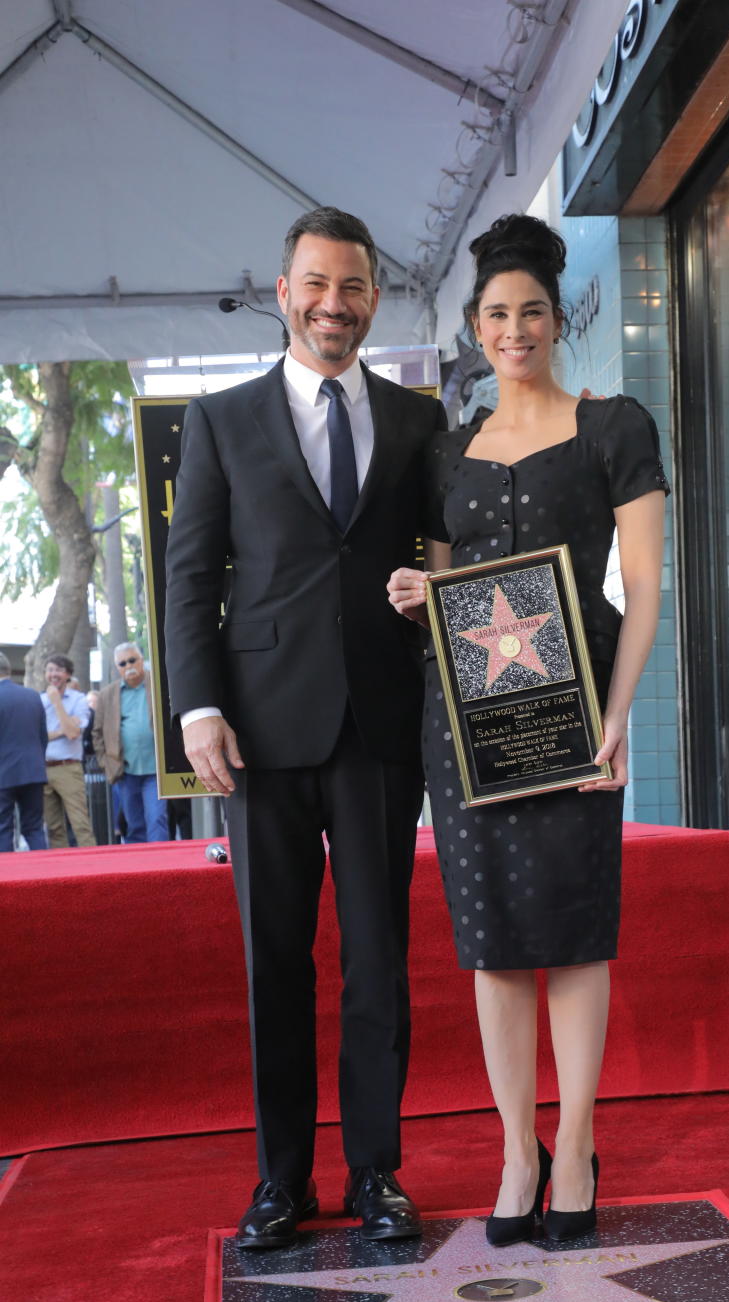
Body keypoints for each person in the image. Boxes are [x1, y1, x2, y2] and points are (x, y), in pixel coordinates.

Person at [165, 205, 447, 1249]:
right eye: (317, 285)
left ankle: (376, 1173)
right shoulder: (221, 420)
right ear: (284, 292)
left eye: (356, 287)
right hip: (259, 732)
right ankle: (280, 1183)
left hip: (381, 727)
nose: (336, 304)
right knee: (272, 961)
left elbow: (458, 549)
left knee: (377, 961)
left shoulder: (419, 422)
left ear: (376, 297)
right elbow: (191, 575)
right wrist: (197, 706)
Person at [387, 214, 668, 1245]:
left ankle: (580, 1143)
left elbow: (642, 589)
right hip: (467, 720)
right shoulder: (445, 451)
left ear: (557, 319)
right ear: (476, 325)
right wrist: (423, 588)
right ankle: (519, 1151)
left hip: (578, 709)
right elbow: (447, 578)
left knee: (579, 934)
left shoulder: (614, 428)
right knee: (494, 943)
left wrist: (618, 713)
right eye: (497, 314)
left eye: (532, 311)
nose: (515, 329)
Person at [92, 643, 168, 843]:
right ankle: (141, 870)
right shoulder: (108, 694)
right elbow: (97, 733)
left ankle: (161, 868)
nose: (129, 666)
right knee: (134, 824)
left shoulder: (158, 683)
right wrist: (106, 763)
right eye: (123, 663)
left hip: (157, 771)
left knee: (157, 819)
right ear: (117, 667)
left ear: (142, 660)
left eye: (132, 660)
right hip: (125, 771)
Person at [41, 654, 95, 847]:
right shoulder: (39, 700)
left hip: (68, 768)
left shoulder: (79, 700)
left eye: (58, 670)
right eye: (49, 670)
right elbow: (39, 736)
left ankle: (95, 871)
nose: (53, 674)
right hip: (44, 769)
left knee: (80, 824)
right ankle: (61, 874)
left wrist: (57, 703)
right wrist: (62, 729)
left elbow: (72, 734)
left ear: (68, 674)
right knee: (54, 828)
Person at [0, 650, 48, 852]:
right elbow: (42, 736)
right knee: (34, 828)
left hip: (3, 773)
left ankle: (6, 879)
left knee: (3, 829)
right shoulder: (32, 696)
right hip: (33, 771)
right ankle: (45, 878)